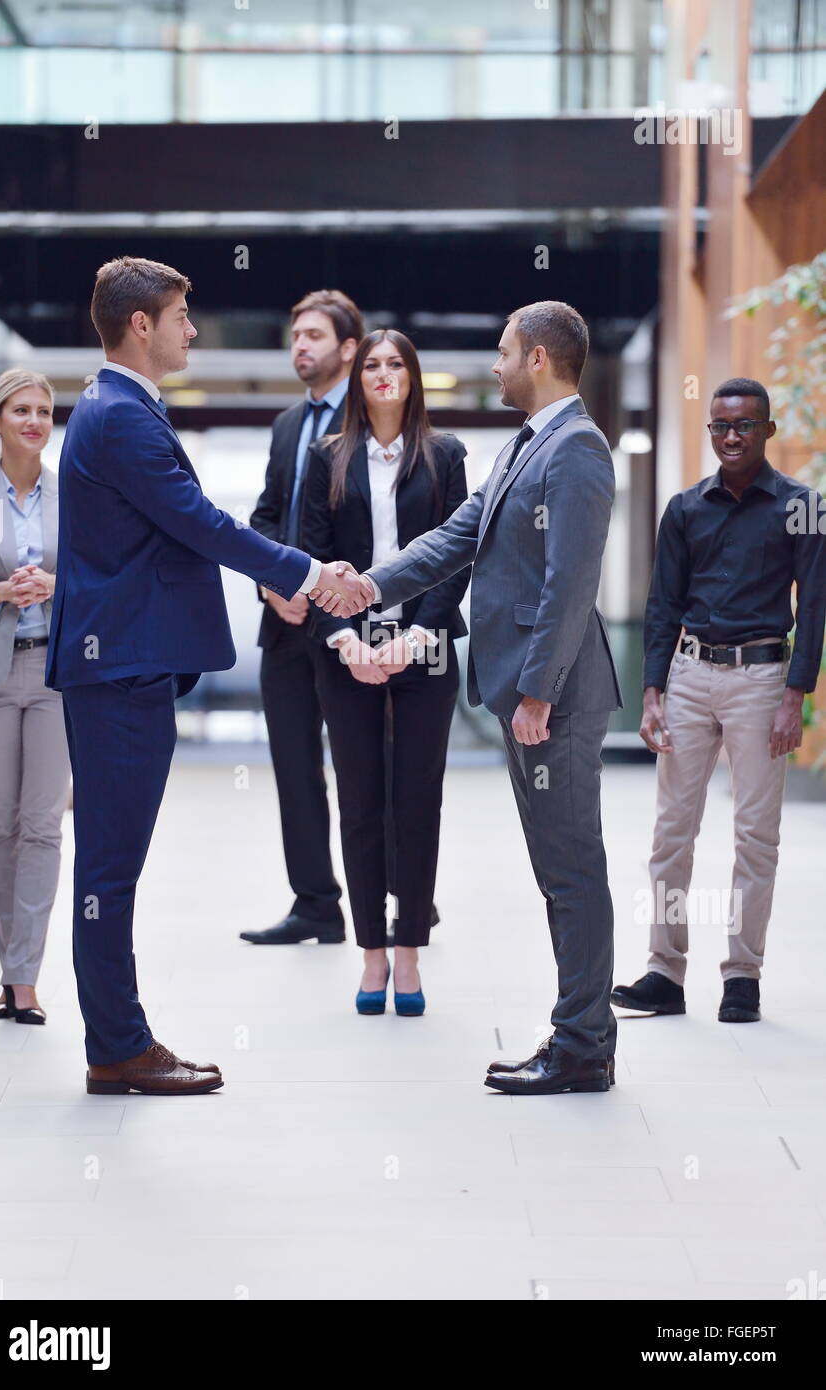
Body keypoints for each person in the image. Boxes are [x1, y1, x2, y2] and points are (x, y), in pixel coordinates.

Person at [45, 255, 366, 1096]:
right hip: (116, 669)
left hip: (121, 665)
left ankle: (119, 1040)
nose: (193, 328)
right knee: (108, 870)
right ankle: (118, 1046)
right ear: (141, 325)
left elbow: (183, 529)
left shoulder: (121, 407)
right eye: (183, 316)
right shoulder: (120, 415)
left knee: (111, 866)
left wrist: (280, 570)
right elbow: (197, 520)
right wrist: (301, 571)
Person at [316, 299, 622, 1094]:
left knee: (570, 868)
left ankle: (583, 1044)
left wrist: (536, 692)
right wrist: (370, 587)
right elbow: (459, 535)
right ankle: (577, 1033)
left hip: (551, 696)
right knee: (559, 867)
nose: (494, 365)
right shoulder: (530, 445)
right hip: (531, 691)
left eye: (503, 352)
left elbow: (570, 582)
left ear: (541, 361)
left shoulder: (577, 448)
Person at [612, 378, 826, 1024]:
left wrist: (795, 697)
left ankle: (741, 976)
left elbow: (811, 606)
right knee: (671, 835)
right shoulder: (683, 509)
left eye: (742, 426)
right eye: (719, 427)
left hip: (761, 679)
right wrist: (651, 692)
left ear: (765, 430)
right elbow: (662, 605)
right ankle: (663, 972)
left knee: (755, 836)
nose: (730, 437)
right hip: (688, 676)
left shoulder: (802, 507)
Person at [301, 329, 469, 1015]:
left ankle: (408, 953)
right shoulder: (326, 458)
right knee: (361, 802)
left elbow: (459, 551)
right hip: (347, 648)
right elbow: (307, 554)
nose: (382, 374)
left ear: (412, 376)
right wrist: (346, 640)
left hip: (424, 641)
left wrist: (421, 632)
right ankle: (370, 954)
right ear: (356, 377)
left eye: (395, 363)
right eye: (371, 364)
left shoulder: (445, 454)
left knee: (416, 802)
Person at [241, 290, 363, 946]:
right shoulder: (288, 425)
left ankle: (394, 901)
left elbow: (376, 528)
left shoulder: (372, 420)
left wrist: (321, 587)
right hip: (283, 624)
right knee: (294, 767)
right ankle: (315, 904)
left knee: (363, 770)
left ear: (348, 347)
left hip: (346, 622)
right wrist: (271, 581)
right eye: (295, 336)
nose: (300, 346)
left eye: (314, 335)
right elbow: (265, 516)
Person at [0, 368, 70, 1026]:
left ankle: (24, 980)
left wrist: (58, 585)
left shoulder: (73, 497)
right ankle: (11, 972)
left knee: (43, 827)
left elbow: (98, 580)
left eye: (43, 411)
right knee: (0, 829)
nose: (34, 421)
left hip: (57, 677)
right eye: (20, 410)